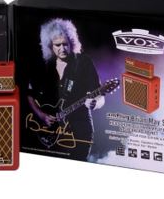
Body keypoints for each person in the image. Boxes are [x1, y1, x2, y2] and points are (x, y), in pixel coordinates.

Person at [26, 18, 105, 161]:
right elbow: (29, 94)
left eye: (65, 44)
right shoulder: (44, 66)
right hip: (50, 130)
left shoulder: (83, 62)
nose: (62, 49)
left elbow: (100, 96)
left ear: (72, 43)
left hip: (79, 130)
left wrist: (95, 104)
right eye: (57, 45)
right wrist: (41, 115)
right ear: (50, 45)